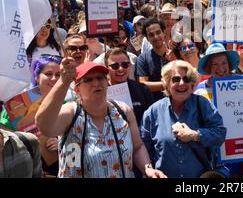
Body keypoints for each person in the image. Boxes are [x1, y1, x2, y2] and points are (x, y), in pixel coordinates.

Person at [35, 61, 166, 178]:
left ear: (107, 82)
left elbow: (137, 147)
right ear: (76, 89)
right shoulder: (71, 113)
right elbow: (44, 125)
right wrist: (63, 81)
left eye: (100, 77)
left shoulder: (123, 111)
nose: (96, 83)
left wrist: (147, 169)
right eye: (88, 80)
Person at [141, 60, 226, 178]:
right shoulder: (153, 112)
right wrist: (149, 170)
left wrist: (195, 135)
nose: (182, 83)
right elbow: (143, 149)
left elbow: (220, 133)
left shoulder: (202, 105)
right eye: (175, 79)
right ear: (167, 85)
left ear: (192, 85)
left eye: (186, 79)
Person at [0, 56, 62, 176]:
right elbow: (4, 133)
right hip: (27, 165)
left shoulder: (69, 102)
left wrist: (61, 141)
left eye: (58, 75)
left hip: (59, 165)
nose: (54, 78)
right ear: (37, 76)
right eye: (48, 74)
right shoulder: (18, 103)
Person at [105, 48, 154, 126]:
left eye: (125, 65)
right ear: (106, 68)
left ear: (130, 66)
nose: (120, 69)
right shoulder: (101, 92)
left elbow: (151, 119)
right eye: (115, 66)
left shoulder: (143, 90)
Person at [136, 18, 176, 102]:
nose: (156, 37)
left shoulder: (175, 54)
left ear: (164, 33)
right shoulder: (143, 59)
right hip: (155, 105)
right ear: (147, 38)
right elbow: (143, 84)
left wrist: (173, 61)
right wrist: (167, 84)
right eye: (151, 35)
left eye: (158, 32)